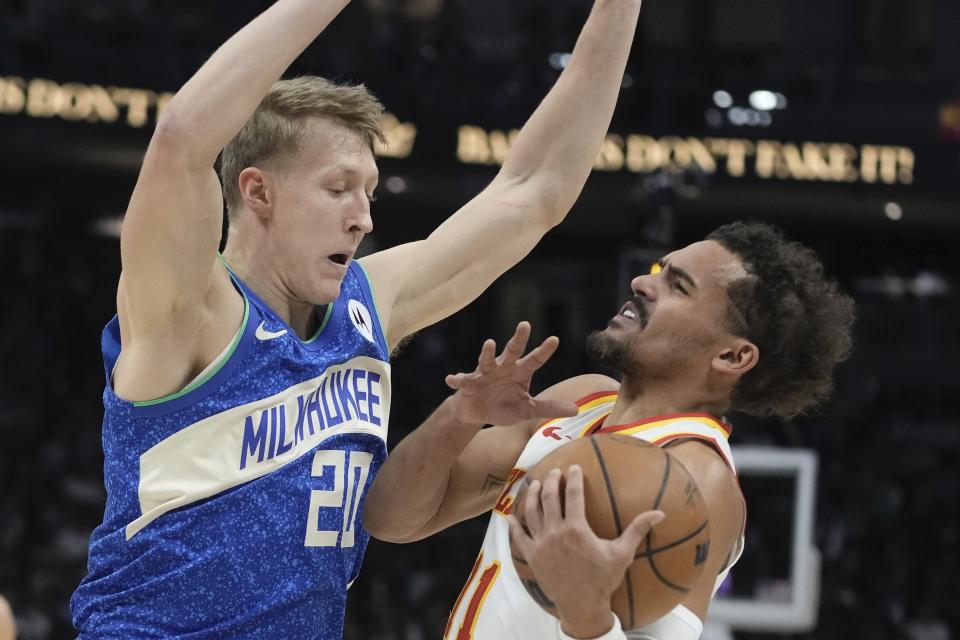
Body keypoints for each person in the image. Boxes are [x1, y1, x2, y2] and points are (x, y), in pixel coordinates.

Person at [69, 0, 648, 637]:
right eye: (339, 187)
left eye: (369, 191)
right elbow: (181, 137)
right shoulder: (190, 310)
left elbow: (535, 190)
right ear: (258, 191)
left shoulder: (369, 305)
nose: (364, 217)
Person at [366, 221, 855, 639]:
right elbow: (390, 519)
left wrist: (587, 614)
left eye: (678, 286)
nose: (643, 281)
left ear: (732, 356)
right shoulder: (581, 399)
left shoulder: (698, 480)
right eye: (659, 270)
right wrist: (460, 415)